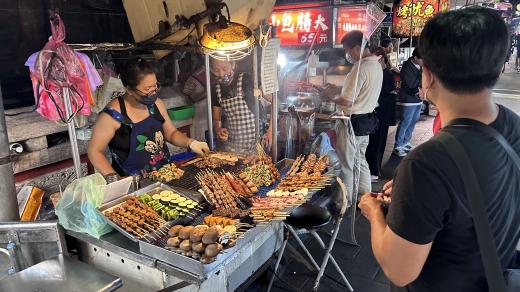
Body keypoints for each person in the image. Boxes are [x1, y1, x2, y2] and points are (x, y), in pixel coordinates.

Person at [358, 8, 520, 292]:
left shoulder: (427, 162)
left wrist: (373, 211)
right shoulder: (514, 127)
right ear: (498, 67)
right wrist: (417, 193)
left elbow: (399, 271)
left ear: (428, 75)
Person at [88, 58, 209, 179]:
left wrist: (191, 143)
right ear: (129, 89)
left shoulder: (157, 104)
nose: (153, 92)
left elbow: (171, 133)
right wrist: (114, 178)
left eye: (155, 86)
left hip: (165, 175)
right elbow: (95, 151)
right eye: (147, 89)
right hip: (133, 182)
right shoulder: (112, 116)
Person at [320, 30, 383, 200]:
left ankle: (344, 202)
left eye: (348, 51)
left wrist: (330, 95)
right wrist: (338, 89)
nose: (348, 55)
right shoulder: (376, 65)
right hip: (366, 122)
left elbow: (347, 101)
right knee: (360, 161)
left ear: (357, 48)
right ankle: (365, 198)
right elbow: (361, 93)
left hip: (351, 123)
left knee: (347, 165)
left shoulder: (360, 67)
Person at [210, 59, 258, 153]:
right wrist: (218, 129)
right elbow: (216, 119)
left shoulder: (246, 79)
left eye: (225, 69)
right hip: (233, 145)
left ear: (233, 64)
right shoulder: (216, 89)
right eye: (216, 70)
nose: (221, 74)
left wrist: (270, 131)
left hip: (256, 141)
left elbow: (272, 100)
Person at [365, 47, 397, 180]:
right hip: (376, 113)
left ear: (381, 58)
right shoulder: (380, 73)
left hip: (382, 114)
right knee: (373, 142)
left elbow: (390, 95)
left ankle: (375, 171)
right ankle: (373, 169)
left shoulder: (387, 74)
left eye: (374, 58)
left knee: (377, 143)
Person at [393, 48, 423, 157]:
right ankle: (398, 146)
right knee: (405, 122)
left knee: (413, 122)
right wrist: (421, 74)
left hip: (417, 99)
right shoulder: (407, 67)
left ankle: (406, 142)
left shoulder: (420, 66)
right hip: (408, 99)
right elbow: (412, 84)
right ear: (415, 58)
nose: (424, 62)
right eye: (422, 59)